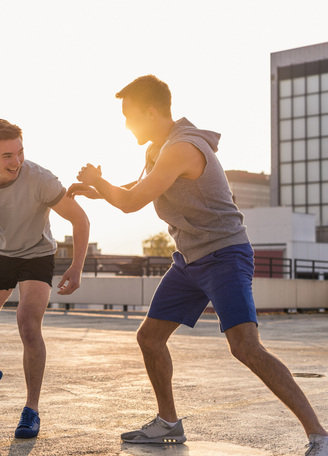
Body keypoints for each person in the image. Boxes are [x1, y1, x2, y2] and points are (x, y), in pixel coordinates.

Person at [67, 74, 328, 454]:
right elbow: (141, 188)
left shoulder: (182, 148)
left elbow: (131, 202)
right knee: (149, 337)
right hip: (190, 259)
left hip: (224, 254)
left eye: (130, 116)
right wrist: (98, 189)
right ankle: (168, 423)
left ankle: (319, 435)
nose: (126, 125)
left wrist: (100, 185)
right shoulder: (159, 149)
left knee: (246, 348)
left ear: (152, 111)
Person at [0, 118, 90, 439]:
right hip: (0, 254)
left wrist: (77, 266)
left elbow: (80, 218)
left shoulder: (41, 180)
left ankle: (31, 409)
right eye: (8, 155)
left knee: (28, 325)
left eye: (20, 152)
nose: (17, 161)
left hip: (37, 254)